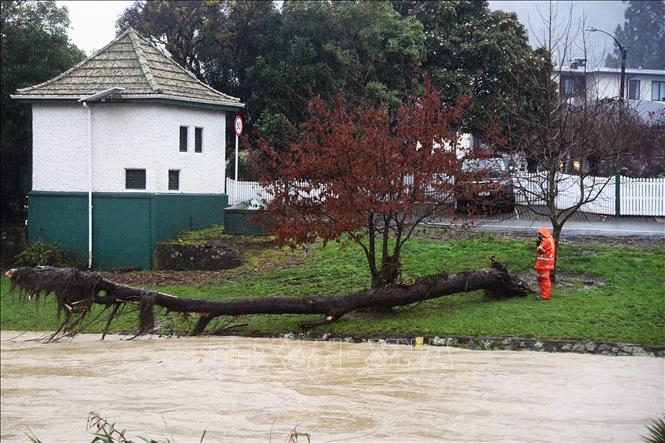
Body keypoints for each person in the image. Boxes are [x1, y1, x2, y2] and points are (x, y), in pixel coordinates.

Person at [534, 226, 556, 300]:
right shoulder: (550, 239)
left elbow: (539, 250)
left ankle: (544, 295)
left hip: (544, 263)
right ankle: (543, 294)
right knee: (542, 278)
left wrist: (538, 246)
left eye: (539, 234)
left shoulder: (546, 241)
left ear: (542, 234)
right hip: (545, 263)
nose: (539, 235)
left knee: (543, 279)